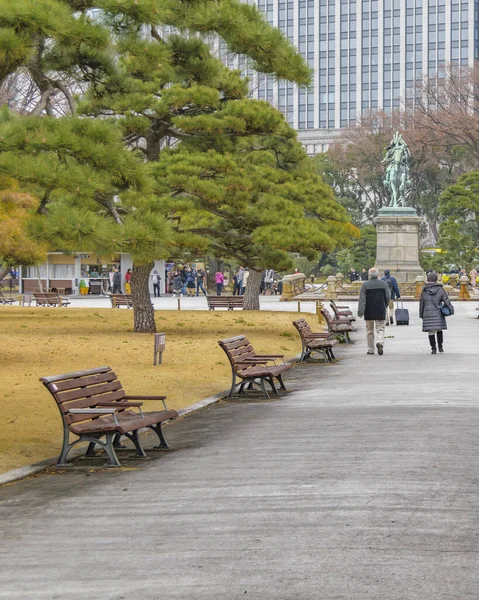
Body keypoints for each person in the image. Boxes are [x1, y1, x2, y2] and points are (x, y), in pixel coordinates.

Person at [357, 267, 390, 355]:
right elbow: (388, 297)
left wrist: (360, 311)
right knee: (380, 328)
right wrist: (385, 305)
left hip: (369, 310)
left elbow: (362, 300)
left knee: (369, 331)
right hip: (380, 309)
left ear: (369, 275)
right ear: (378, 275)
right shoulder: (384, 284)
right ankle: (380, 342)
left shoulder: (365, 285)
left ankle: (370, 349)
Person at [419, 271, 454, 354]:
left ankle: (433, 348)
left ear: (428, 279)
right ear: (436, 279)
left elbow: (422, 304)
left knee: (431, 331)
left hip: (427, 313)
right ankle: (440, 346)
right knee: (439, 329)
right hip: (438, 312)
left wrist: (421, 314)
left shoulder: (424, 290)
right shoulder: (440, 289)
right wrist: (451, 309)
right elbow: (446, 301)